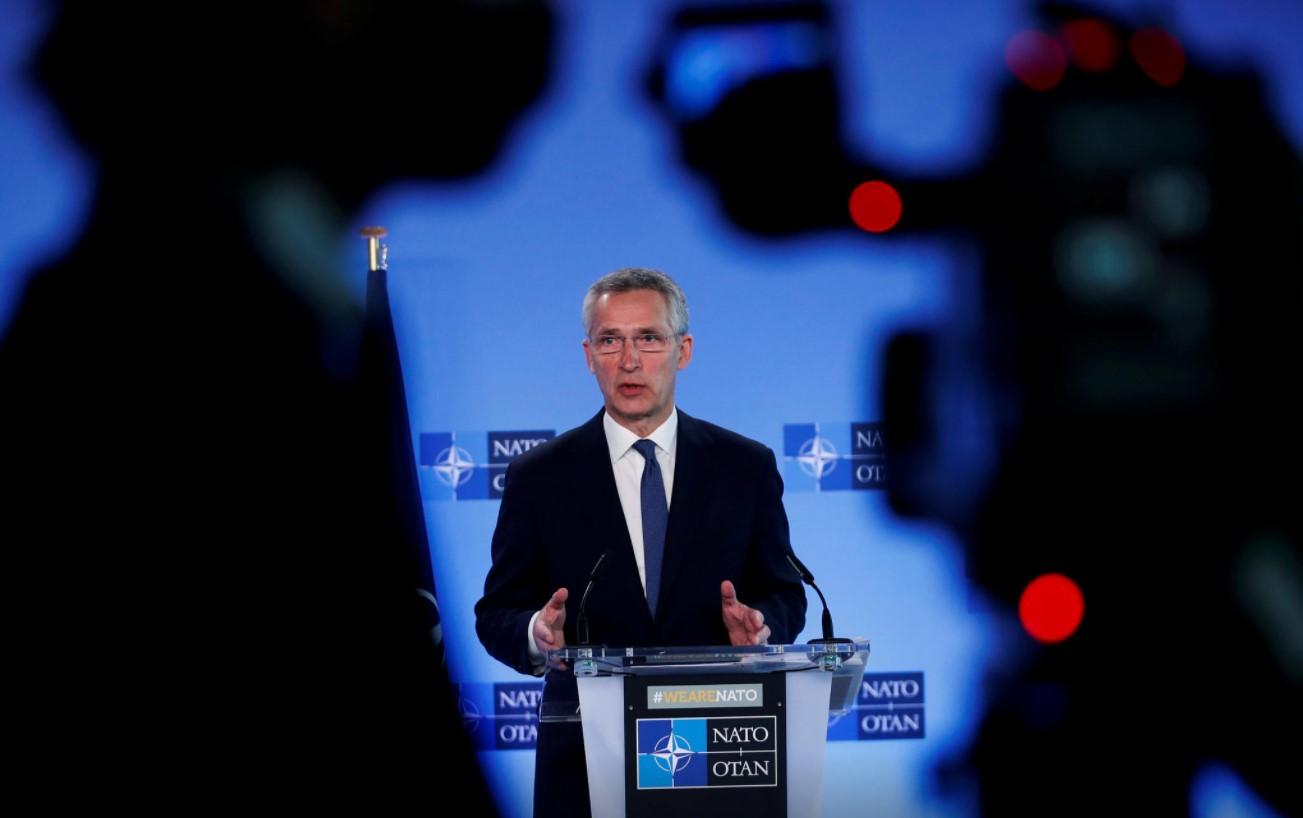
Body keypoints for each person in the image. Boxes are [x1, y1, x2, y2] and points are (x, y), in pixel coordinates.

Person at [475, 267, 807, 818]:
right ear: (589, 355)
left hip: (718, 753)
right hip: (583, 765)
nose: (629, 360)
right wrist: (537, 633)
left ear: (684, 350)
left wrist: (762, 625)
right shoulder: (541, 476)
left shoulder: (744, 466)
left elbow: (784, 592)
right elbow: (496, 612)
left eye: (649, 338)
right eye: (611, 340)